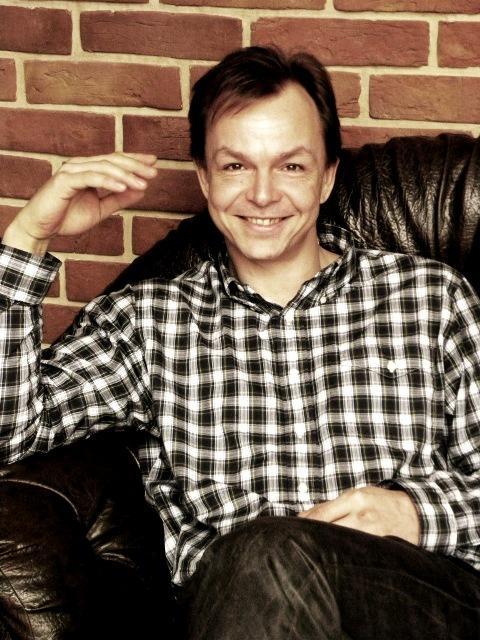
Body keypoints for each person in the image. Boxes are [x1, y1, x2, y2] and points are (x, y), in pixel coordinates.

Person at [0, 46, 479, 639]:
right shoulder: (150, 321)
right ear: (204, 178)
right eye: (235, 167)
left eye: (291, 166)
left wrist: (416, 513)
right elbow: (10, 432)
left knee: (275, 554)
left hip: (420, 598)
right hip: (237, 606)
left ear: (328, 177)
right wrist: (29, 237)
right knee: (263, 556)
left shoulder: (431, 297)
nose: (262, 194)